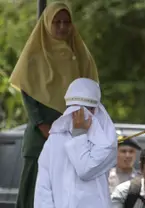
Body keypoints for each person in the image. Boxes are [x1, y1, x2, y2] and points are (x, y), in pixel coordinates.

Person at [9, 2, 99, 207]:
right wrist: (42, 125)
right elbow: (28, 93)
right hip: (41, 134)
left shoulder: (80, 53)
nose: (61, 27)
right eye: (56, 22)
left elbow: (90, 91)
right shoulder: (34, 54)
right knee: (34, 190)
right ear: (47, 24)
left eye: (66, 22)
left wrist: (79, 127)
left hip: (72, 133)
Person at [33, 78, 117, 208]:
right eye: (73, 110)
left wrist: (79, 135)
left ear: (95, 110)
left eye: (85, 109)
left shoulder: (106, 142)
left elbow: (85, 170)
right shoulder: (55, 139)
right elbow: (43, 187)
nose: (77, 116)